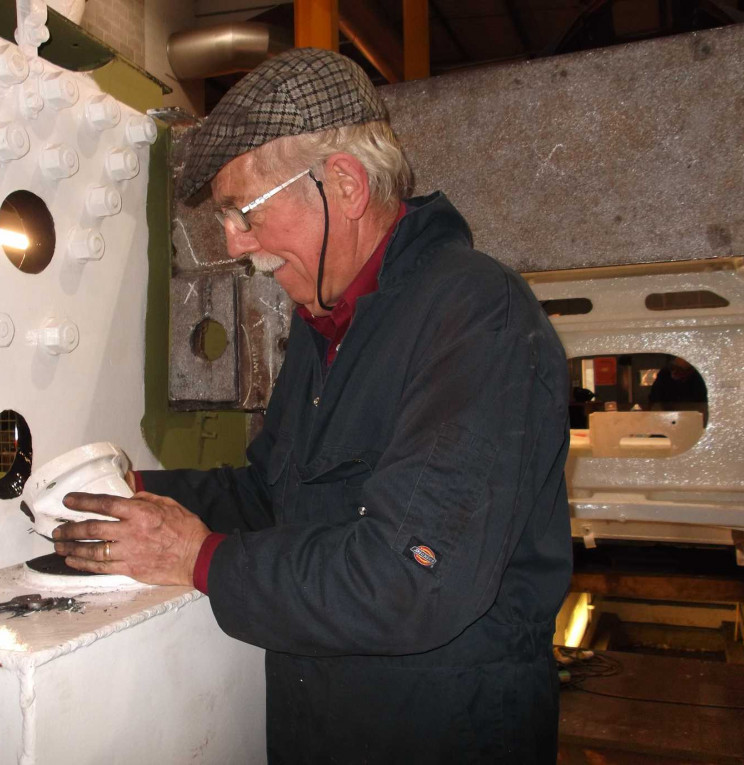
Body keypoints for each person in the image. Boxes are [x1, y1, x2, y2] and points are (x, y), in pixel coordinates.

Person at [53, 47, 572, 763]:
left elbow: (410, 578)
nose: (237, 245)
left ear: (346, 184)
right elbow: (272, 496)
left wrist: (198, 558)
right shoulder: (324, 327)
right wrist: (124, 493)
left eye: (244, 211)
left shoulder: (477, 315)